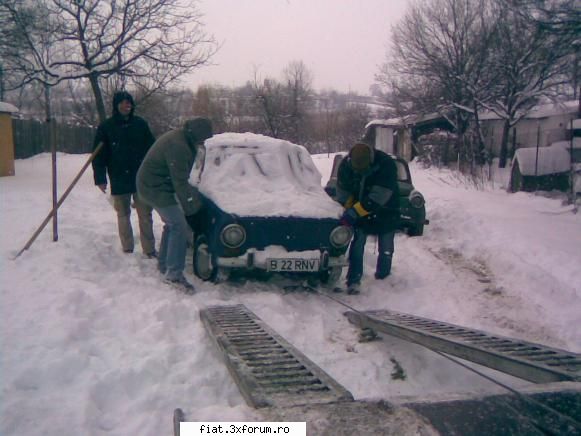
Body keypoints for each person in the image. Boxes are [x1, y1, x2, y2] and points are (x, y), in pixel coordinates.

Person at [136, 117, 213, 293]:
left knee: (172, 224)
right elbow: (180, 183)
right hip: (154, 188)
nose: (203, 143)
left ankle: (164, 264)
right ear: (196, 135)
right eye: (203, 140)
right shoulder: (178, 146)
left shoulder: (183, 138)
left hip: (156, 184)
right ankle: (174, 275)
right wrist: (192, 211)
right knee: (179, 224)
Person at [92, 90, 156, 257]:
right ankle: (127, 247)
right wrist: (100, 178)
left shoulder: (140, 124)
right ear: (116, 105)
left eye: (129, 102)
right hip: (118, 176)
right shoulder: (106, 127)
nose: (126, 105)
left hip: (140, 177)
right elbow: (98, 155)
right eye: (122, 102)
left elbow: (152, 149)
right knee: (123, 214)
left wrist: (154, 172)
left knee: (145, 215)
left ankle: (149, 249)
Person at [335, 141, 400, 294]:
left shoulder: (386, 164)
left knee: (386, 246)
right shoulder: (345, 165)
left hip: (386, 210)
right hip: (360, 210)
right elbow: (343, 190)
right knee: (357, 244)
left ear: (370, 161)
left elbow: (378, 197)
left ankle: (383, 278)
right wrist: (347, 206)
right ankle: (353, 280)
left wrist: (354, 212)